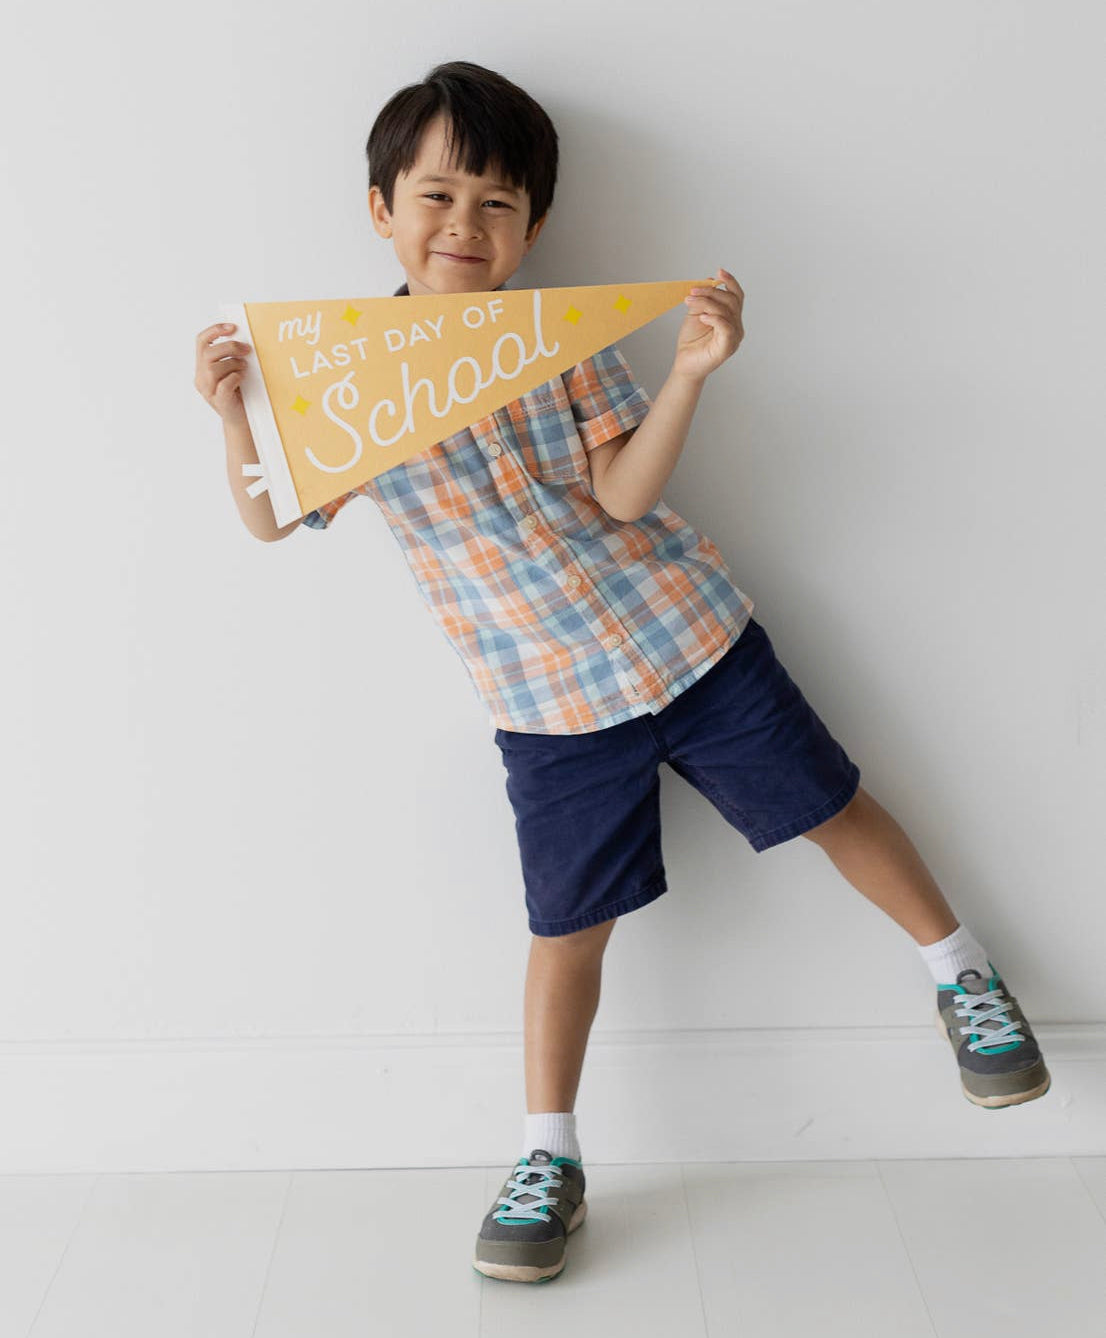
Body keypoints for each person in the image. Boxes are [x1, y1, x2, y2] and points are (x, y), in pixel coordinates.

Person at [193, 59, 1051, 1285]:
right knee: (566, 928)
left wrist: (691, 371)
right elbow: (275, 521)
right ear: (379, 208)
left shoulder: (563, 341)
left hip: (687, 639)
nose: (463, 228)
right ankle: (549, 1155)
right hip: (544, 706)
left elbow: (622, 492)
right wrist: (236, 419)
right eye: (435, 197)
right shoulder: (336, 376)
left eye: (496, 205)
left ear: (532, 224)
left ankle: (961, 973)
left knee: (830, 805)